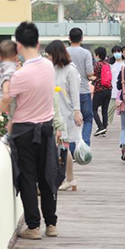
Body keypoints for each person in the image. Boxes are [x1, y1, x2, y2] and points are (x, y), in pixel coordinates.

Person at [1, 22, 59, 240]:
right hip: (46, 129)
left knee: (28, 177)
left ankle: (33, 227)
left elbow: (6, 104)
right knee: (47, 177)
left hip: (24, 130)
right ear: (38, 43)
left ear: (18, 47)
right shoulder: (48, 67)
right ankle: (51, 224)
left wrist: (6, 84)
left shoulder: (19, 76)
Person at [45, 40, 83, 191]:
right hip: (52, 111)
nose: (47, 57)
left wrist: (76, 111)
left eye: (49, 55)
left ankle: (69, 178)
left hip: (65, 112)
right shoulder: (51, 69)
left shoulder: (70, 70)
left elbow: (75, 93)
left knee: (63, 146)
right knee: (59, 146)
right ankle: (67, 178)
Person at [66, 28, 94, 147]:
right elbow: (89, 73)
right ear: (82, 39)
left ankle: (72, 150)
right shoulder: (86, 53)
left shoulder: (64, 52)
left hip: (67, 92)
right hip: (83, 90)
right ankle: (85, 144)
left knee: (72, 121)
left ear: (69, 38)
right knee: (87, 119)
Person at [0, 40, 19, 146]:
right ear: (16, 57)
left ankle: (9, 135)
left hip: (3, 96)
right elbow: (7, 79)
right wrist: (6, 94)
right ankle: (9, 135)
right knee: (14, 116)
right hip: (9, 96)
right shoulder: (11, 68)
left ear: (0, 57)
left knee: (12, 117)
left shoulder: (2, 67)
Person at [91, 47, 112, 137]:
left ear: (98, 55)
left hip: (99, 90)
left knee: (93, 109)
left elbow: (92, 75)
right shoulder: (107, 64)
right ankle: (104, 128)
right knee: (104, 110)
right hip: (108, 89)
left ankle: (100, 126)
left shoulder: (97, 65)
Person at [108, 46, 124, 127]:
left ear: (121, 52)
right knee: (110, 110)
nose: (116, 53)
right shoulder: (111, 65)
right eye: (114, 52)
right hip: (113, 91)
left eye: (118, 51)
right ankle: (106, 125)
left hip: (123, 91)